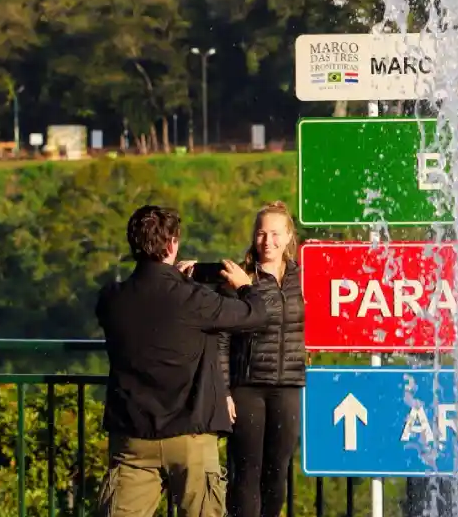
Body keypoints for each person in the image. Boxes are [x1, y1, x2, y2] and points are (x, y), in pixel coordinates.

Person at [97, 205, 277, 517]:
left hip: (133, 436)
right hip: (190, 434)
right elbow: (257, 315)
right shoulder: (193, 300)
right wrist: (244, 286)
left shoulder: (112, 298)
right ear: (172, 245)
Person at [225, 201, 306, 517]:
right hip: (247, 386)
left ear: (288, 237)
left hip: (288, 384)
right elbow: (221, 338)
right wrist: (224, 390)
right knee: (246, 472)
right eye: (261, 233)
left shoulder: (302, 276)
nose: (267, 241)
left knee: (277, 471)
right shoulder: (240, 278)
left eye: (275, 234)